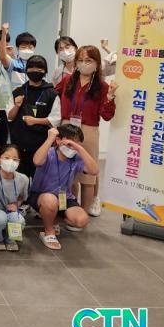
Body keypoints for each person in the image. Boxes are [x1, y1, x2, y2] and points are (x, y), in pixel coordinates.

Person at [56, 46, 118, 217]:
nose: (84, 64)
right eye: (80, 60)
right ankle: (70, 208)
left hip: (88, 130)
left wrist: (110, 97)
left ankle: (83, 213)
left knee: (87, 175)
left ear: (97, 63)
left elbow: (106, 115)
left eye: (89, 60)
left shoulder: (102, 87)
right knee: (67, 171)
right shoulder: (68, 81)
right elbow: (53, 95)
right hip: (67, 127)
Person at [29, 125, 99, 250]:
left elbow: (94, 171)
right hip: (42, 196)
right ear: (59, 140)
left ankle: (53, 220)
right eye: (70, 142)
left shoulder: (76, 158)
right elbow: (37, 161)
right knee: (50, 201)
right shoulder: (49, 153)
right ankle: (49, 231)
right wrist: (50, 139)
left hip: (65, 198)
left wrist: (80, 149)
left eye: (76, 143)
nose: (73, 146)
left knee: (82, 220)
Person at [6, 55, 61, 178]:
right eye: (31, 68)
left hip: (41, 145)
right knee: (19, 178)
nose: (35, 71)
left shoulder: (52, 93)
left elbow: (56, 119)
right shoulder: (18, 91)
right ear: (26, 70)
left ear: (45, 71)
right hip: (19, 144)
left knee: (39, 178)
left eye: (39, 69)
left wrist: (35, 121)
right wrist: (16, 106)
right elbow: (10, 117)